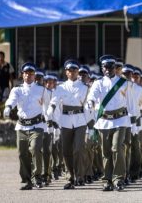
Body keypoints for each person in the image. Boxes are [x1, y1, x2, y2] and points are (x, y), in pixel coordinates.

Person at [87, 55, 133, 191]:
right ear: (102, 69)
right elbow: (92, 96)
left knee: (117, 148)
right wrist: (90, 103)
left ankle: (118, 179)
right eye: (105, 67)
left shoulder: (124, 83)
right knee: (106, 152)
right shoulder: (98, 83)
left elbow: (131, 104)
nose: (108, 70)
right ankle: (107, 179)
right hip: (104, 121)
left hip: (120, 120)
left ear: (115, 68)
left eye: (110, 67)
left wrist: (133, 122)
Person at [3, 63, 50, 190]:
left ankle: (37, 178)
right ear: (22, 75)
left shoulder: (42, 89)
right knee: (22, 153)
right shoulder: (17, 89)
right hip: (22, 126)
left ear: (35, 75)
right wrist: (8, 107)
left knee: (35, 149)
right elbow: (12, 99)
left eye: (31, 74)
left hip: (37, 125)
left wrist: (48, 117)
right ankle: (27, 179)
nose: (28, 76)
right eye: (26, 73)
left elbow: (48, 105)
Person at [47, 59, 90, 189]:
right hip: (65, 120)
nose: (72, 73)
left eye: (74, 70)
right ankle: (71, 177)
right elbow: (54, 101)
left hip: (80, 120)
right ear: (66, 72)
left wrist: (90, 125)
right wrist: (51, 110)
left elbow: (88, 106)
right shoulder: (60, 87)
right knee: (66, 151)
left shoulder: (85, 87)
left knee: (78, 149)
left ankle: (80, 176)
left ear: (78, 72)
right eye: (69, 70)